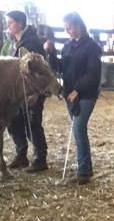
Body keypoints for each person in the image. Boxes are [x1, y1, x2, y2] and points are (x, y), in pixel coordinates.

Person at [44, 12, 102, 185]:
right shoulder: (68, 46)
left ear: (78, 25)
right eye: (65, 28)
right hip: (70, 93)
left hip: (86, 94)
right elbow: (61, 68)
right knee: (78, 130)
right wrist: (51, 53)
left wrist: (78, 89)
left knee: (78, 128)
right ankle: (84, 167)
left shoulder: (92, 47)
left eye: (69, 27)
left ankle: (84, 171)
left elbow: (93, 73)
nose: (67, 31)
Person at [4, 10, 49, 172]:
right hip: (16, 91)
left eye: (11, 22)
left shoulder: (32, 43)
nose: (8, 26)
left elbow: (40, 70)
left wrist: (37, 93)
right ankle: (21, 153)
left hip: (31, 90)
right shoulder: (12, 44)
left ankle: (40, 158)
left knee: (32, 123)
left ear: (20, 23)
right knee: (14, 121)